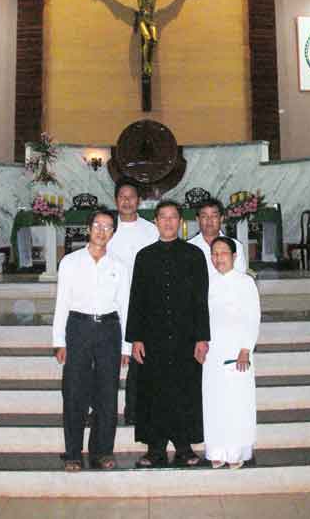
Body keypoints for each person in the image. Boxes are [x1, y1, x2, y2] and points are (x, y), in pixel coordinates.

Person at [126, 199, 210, 467]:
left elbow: (201, 300)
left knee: (184, 390)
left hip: (186, 336)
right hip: (153, 337)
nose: (168, 221)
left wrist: (202, 337)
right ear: (156, 222)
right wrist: (136, 338)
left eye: (173, 217)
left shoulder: (194, 255)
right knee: (154, 392)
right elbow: (136, 299)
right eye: (163, 217)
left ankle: (184, 447)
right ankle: (155, 449)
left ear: (181, 222)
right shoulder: (144, 256)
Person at [52, 207, 131, 471]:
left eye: (107, 227)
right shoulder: (70, 262)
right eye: (97, 225)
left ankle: (102, 451)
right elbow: (62, 302)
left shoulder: (119, 266)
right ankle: (73, 453)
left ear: (113, 233)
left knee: (107, 394)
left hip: (109, 329)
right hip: (79, 327)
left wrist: (126, 346)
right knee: (75, 392)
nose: (101, 231)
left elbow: (125, 306)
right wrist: (59, 341)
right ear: (88, 229)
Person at [202, 236, 261, 470]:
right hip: (213, 352)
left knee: (237, 402)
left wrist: (246, 348)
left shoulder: (245, 282)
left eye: (223, 253)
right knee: (214, 401)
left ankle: (236, 451)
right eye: (214, 254)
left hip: (238, 351)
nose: (218, 258)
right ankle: (216, 450)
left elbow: (253, 317)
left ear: (234, 256)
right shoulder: (208, 282)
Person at [107, 178, 159, 424]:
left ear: (139, 200)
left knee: (140, 360)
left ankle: (135, 411)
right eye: (122, 197)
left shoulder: (151, 230)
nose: (126, 201)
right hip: (111, 304)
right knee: (107, 361)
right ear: (116, 200)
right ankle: (102, 410)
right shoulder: (107, 229)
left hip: (143, 304)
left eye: (131, 197)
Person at [101, 0, 192, 76]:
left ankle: (148, 61)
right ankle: (146, 63)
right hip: (142, 19)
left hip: (151, 19)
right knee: (148, 39)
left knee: (154, 41)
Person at [188, 198, 247, 278]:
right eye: (204, 216)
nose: (209, 220)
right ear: (198, 219)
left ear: (221, 218)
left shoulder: (236, 246)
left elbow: (240, 277)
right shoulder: (188, 247)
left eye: (214, 216)